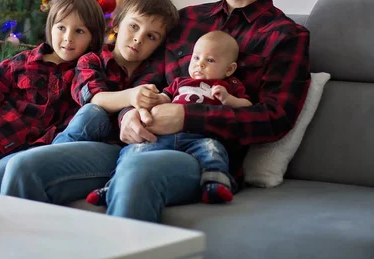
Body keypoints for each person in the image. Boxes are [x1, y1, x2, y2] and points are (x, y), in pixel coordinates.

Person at [0, 0, 311, 223]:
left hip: (201, 156)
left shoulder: (285, 36)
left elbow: (275, 118)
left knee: (137, 171)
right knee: (25, 167)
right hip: (137, 140)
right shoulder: (187, 20)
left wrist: (187, 115)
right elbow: (144, 77)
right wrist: (128, 115)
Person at [70, 30, 252, 207]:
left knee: (213, 150)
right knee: (133, 151)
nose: (200, 64)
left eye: (210, 60)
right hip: (163, 136)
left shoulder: (229, 86)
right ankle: (111, 186)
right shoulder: (180, 82)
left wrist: (228, 99)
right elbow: (165, 97)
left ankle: (214, 184)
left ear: (229, 69)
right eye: (196, 58)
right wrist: (154, 99)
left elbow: (247, 108)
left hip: (199, 138)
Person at [0, 0, 106, 189]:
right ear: (51, 28)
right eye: (61, 28)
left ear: (92, 38)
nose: (68, 38)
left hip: (27, 150)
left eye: (79, 31)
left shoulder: (85, 74)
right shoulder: (23, 61)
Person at [52, 0, 179, 145]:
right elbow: (93, 98)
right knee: (91, 112)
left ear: (159, 44)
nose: (138, 39)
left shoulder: (157, 72)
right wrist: (131, 96)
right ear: (117, 25)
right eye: (133, 26)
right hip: (86, 139)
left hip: (125, 146)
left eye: (151, 36)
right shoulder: (92, 60)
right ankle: (50, 156)